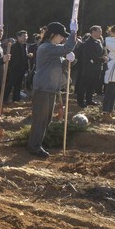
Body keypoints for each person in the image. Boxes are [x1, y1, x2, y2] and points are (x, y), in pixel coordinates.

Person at [25, 22, 79, 158]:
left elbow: (60, 64)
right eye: (61, 36)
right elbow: (67, 47)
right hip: (43, 88)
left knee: (46, 119)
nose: (62, 39)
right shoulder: (46, 48)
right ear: (53, 35)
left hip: (50, 88)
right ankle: (34, 146)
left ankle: (37, 143)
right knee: (40, 119)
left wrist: (68, 62)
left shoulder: (52, 48)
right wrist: (73, 34)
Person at [4, 31, 29, 103]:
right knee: (10, 84)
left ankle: (16, 98)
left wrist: (28, 57)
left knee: (19, 85)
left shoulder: (25, 46)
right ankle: (5, 99)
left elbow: (23, 56)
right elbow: (12, 58)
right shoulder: (14, 46)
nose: (25, 38)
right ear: (18, 37)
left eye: (26, 36)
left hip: (22, 68)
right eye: (24, 36)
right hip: (14, 69)